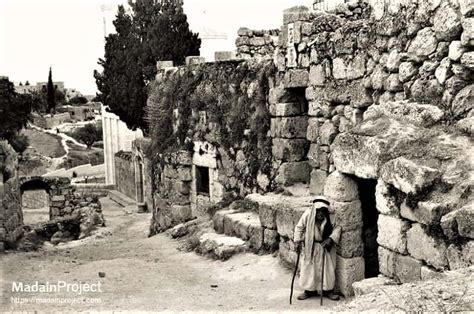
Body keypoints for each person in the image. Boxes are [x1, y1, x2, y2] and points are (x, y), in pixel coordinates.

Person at [294, 195, 341, 301]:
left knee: (327, 269)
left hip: (326, 246)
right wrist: (297, 241)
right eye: (318, 211)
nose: (320, 213)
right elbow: (299, 227)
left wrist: (331, 239)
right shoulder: (307, 214)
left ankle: (328, 291)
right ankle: (309, 291)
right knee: (309, 268)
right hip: (311, 246)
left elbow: (337, 228)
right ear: (314, 210)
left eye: (323, 211)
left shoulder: (331, 216)